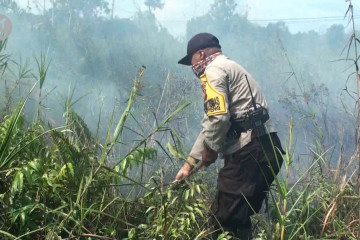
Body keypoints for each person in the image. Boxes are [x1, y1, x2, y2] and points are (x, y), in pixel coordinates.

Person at [175, 33, 285, 240]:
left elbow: (218, 120)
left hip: (248, 153)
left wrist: (210, 151)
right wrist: (189, 165)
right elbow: (212, 123)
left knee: (222, 220)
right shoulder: (232, 67)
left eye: (192, 61)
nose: (193, 67)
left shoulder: (213, 70)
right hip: (268, 149)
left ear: (200, 54)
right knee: (238, 217)